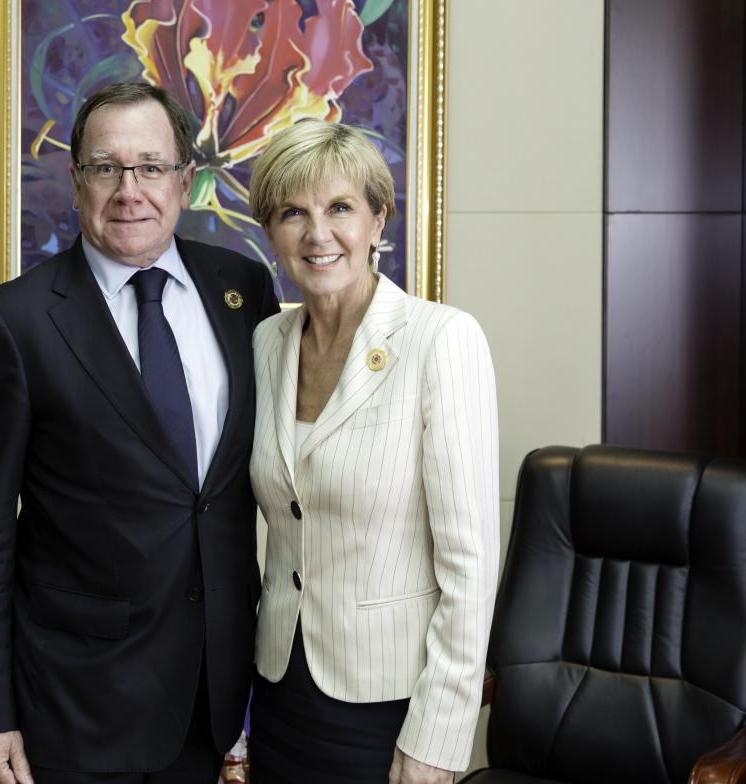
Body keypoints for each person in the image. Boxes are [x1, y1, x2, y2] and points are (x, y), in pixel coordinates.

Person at [0, 83, 280, 784]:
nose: (131, 190)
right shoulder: (17, 322)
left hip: (216, 694)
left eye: (151, 166)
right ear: (76, 182)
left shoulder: (244, 291)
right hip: (77, 700)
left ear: (185, 181)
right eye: (106, 167)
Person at [245, 120, 499, 783]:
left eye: (339, 208)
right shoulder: (266, 344)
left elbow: (469, 566)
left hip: (388, 703)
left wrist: (437, 742)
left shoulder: (441, 340)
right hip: (278, 691)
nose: (316, 233)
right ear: (270, 231)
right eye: (293, 212)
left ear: (379, 219)